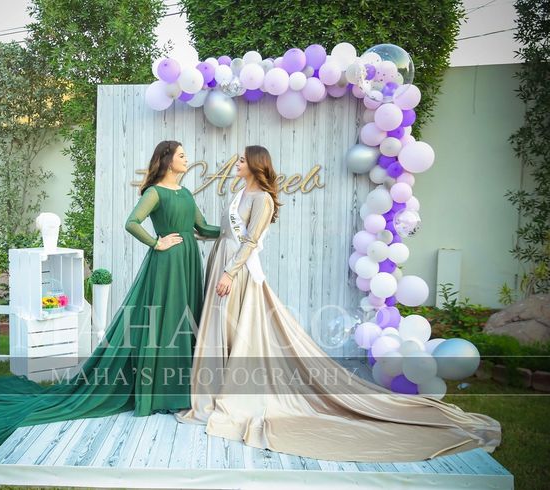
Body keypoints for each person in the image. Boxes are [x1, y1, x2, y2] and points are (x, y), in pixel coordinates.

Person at [0, 140, 221, 449]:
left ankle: (180, 393)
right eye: (181, 154)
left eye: (186, 155)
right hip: (166, 264)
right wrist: (156, 241)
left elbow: (203, 227)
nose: (186, 159)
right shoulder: (154, 192)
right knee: (160, 324)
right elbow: (131, 222)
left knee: (184, 325)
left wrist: (242, 230)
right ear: (167, 159)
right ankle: (157, 394)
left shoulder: (187, 194)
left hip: (189, 262)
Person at [175, 145, 502, 462]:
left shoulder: (262, 200)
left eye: (243, 160)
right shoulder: (240, 194)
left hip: (238, 271)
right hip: (222, 262)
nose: (237, 163)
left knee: (239, 332)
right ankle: (216, 389)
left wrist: (231, 272)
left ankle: (237, 393)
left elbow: (249, 240)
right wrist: (192, 236)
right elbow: (225, 233)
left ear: (256, 164)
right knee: (221, 330)